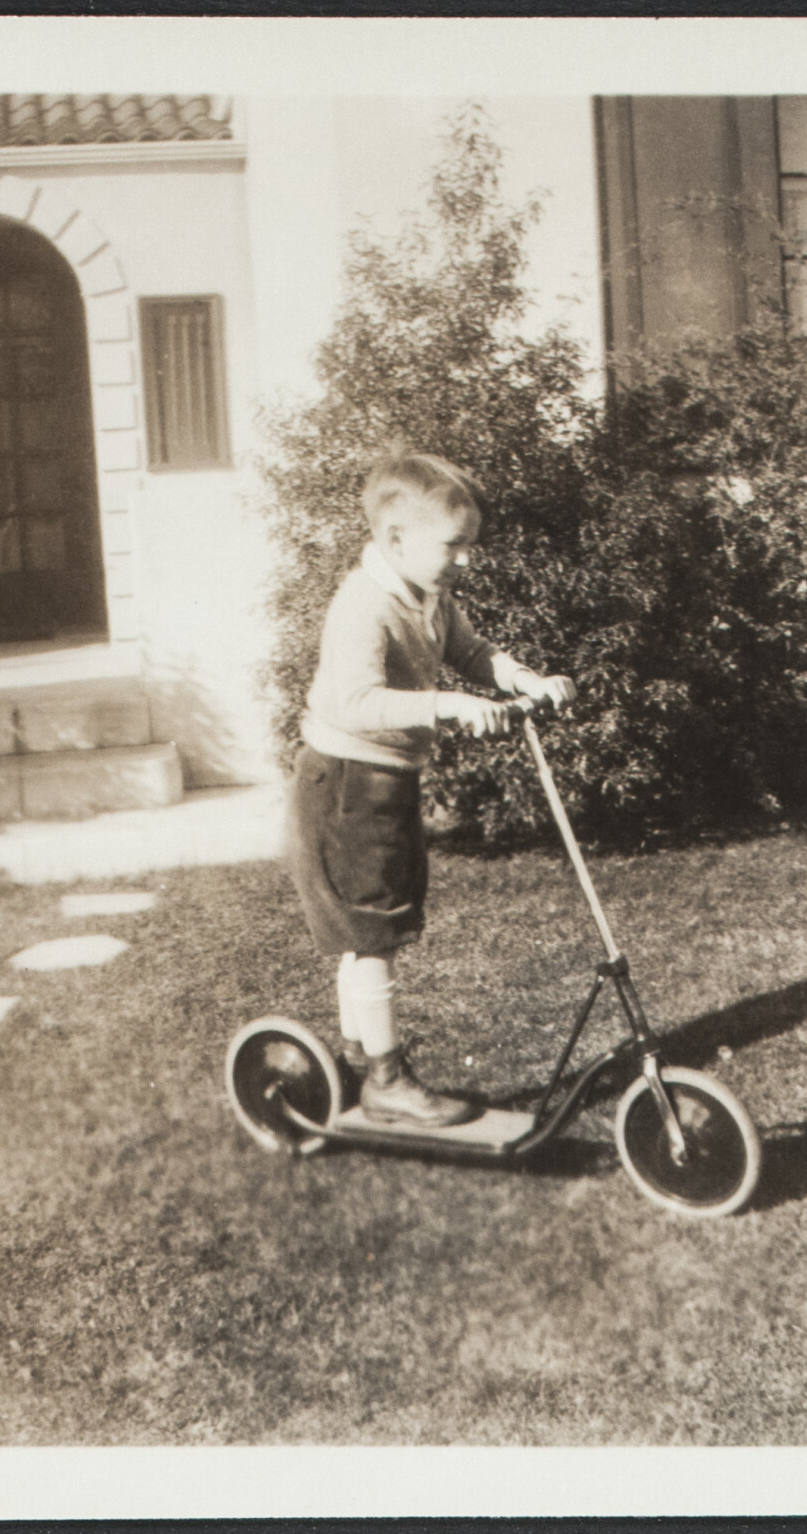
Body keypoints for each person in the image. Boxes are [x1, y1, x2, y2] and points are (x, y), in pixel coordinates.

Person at [287, 450, 576, 1126]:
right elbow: (358, 701)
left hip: (386, 779)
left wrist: (524, 680)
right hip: (346, 783)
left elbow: (472, 653)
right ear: (395, 539)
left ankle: (362, 1052)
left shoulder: (430, 596)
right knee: (372, 927)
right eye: (454, 546)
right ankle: (385, 1081)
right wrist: (445, 705)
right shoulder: (363, 605)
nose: (466, 561)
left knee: (375, 923)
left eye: (470, 546)